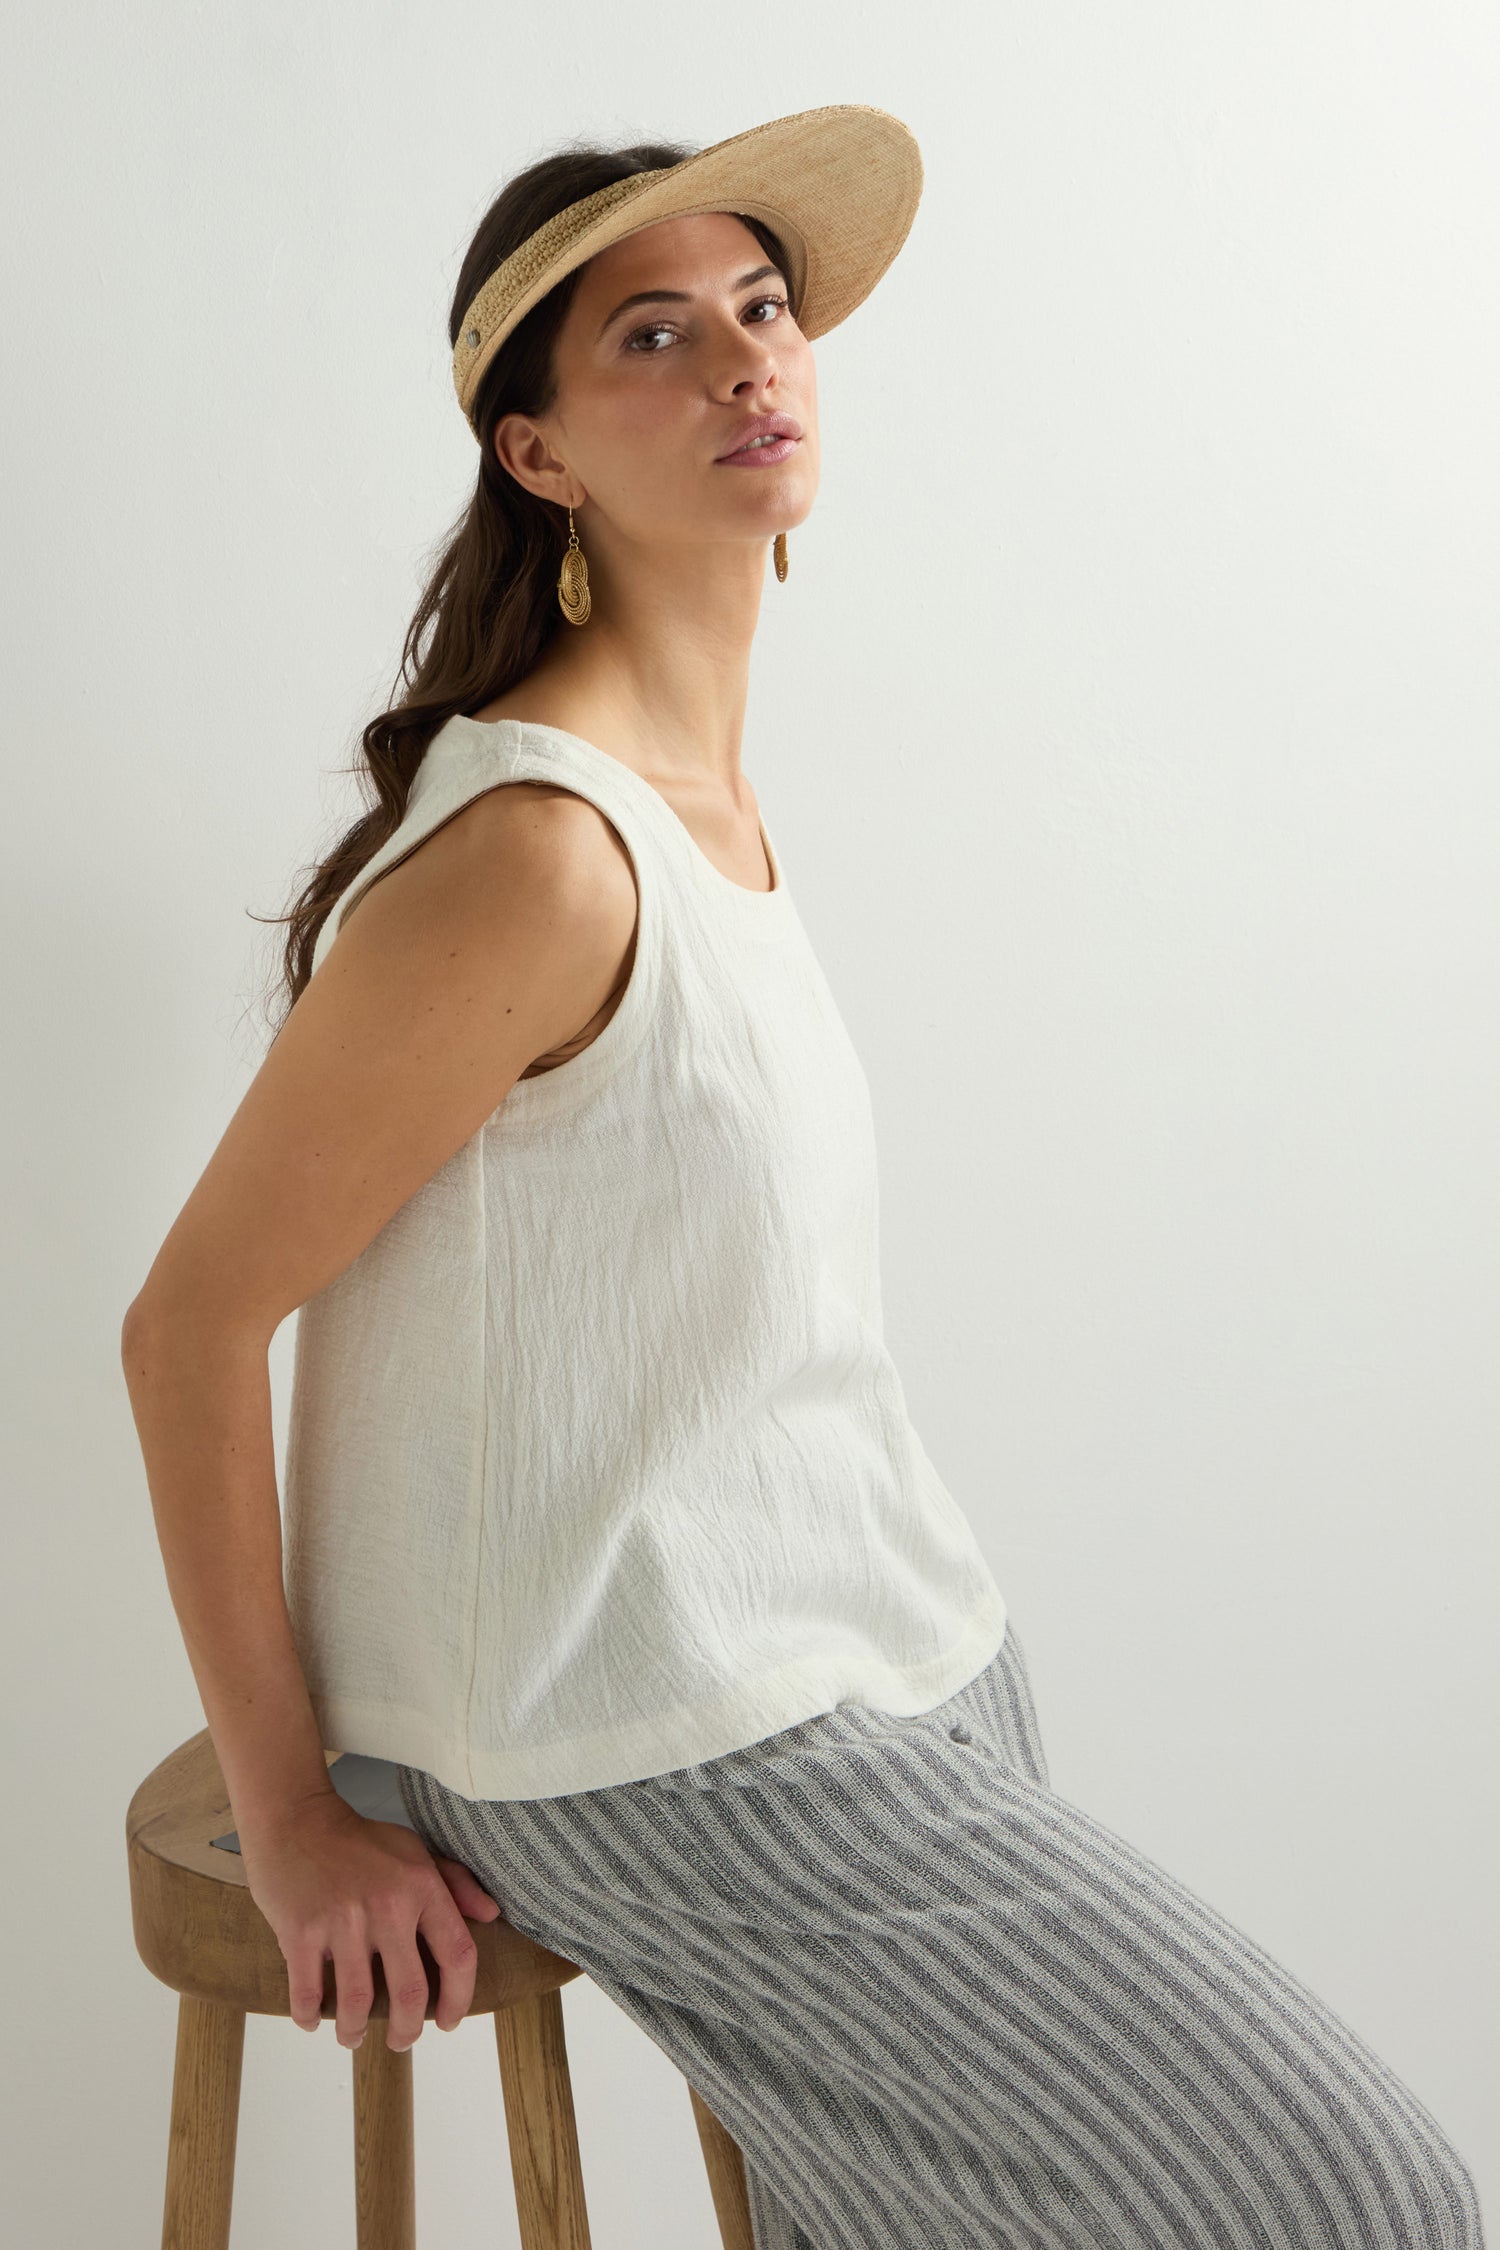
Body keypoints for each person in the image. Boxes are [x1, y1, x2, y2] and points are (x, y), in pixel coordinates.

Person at [122, 106, 1484, 2250]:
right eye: (653, 337)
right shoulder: (540, 862)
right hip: (634, 1725)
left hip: (860, 1639)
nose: (748, 361)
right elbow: (189, 1323)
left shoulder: (703, 810)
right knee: (1367, 2197)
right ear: (541, 453)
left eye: (763, 310)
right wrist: (295, 1817)